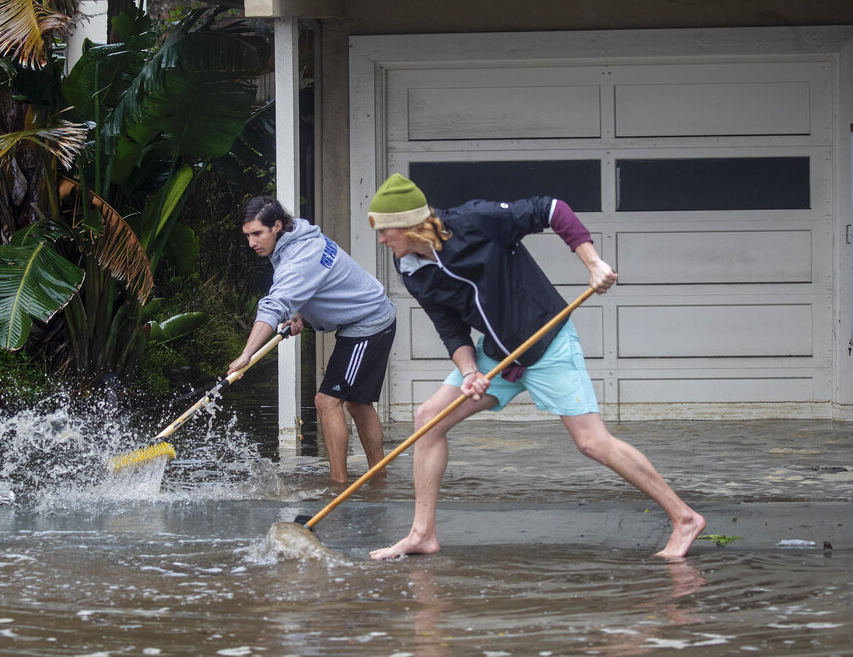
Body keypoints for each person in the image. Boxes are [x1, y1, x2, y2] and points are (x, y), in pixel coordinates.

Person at [365, 173, 705, 559]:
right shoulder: (410, 267)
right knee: (428, 419)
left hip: (546, 341)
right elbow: (450, 328)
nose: (381, 240)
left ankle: (684, 518)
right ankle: (422, 534)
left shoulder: (475, 221)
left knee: (592, 442)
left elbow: (552, 209)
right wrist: (471, 371)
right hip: (498, 353)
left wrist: (592, 263)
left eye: (386, 230)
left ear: (412, 226)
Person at [228, 196, 397, 484]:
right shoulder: (298, 236)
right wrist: (298, 313)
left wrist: (246, 355)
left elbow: (275, 303)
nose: (252, 243)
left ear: (277, 226)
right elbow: (312, 285)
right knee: (358, 403)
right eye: (247, 236)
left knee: (326, 401)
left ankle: (338, 485)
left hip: (367, 322)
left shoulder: (299, 256)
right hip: (370, 313)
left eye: (257, 233)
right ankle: (377, 479)